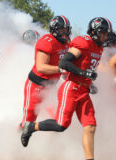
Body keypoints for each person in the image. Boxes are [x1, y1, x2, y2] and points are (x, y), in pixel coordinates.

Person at [21, 17, 112, 160]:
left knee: (90, 126)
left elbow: (84, 66)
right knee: (60, 125)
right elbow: (64, 63)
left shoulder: (98, 47)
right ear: (94, 31)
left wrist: (90, 83)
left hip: (83, 90)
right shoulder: (84, 42)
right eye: (102, 33)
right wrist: (84, 73)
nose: (105, 36)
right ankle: (31, 127)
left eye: (106, 34)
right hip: (71, 88)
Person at [20, 15, 71, 129]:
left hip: (51, 86)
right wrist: (61, 69)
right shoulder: (47, 42)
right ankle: (16, 142)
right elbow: (41, 67)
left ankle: (50, 145)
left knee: (57, 119)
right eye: (62, 29)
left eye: (66, 29)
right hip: (36, 85)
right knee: (28, 121)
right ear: (54, 30)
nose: (65, 32)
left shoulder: (67, 42)